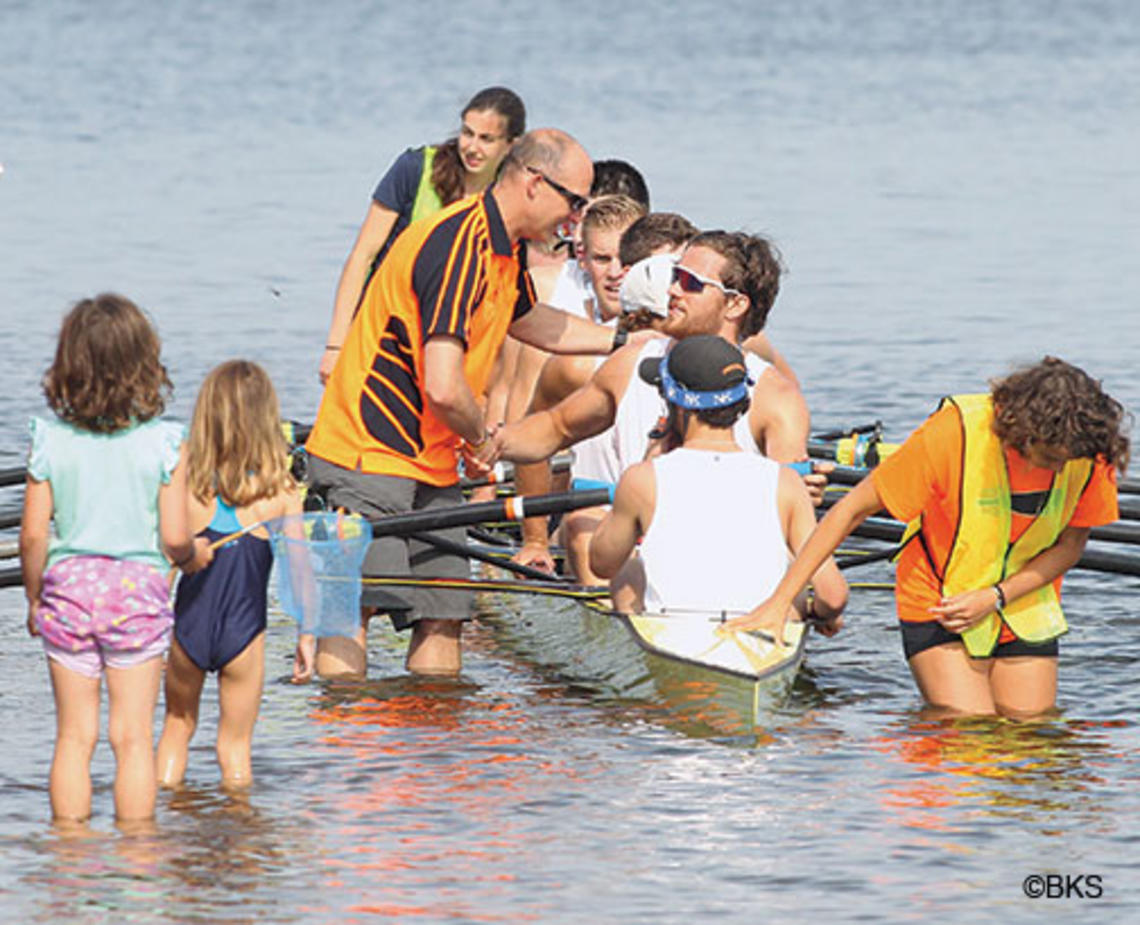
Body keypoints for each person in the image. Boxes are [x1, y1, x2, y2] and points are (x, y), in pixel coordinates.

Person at [305, 128, 624, 679]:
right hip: (367, 449)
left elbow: (532, 321)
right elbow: (444, 385)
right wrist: (483, 441)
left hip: (432, 457)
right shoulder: (458, 242)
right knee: (358, 607)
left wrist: (623, 341)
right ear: (532, 182)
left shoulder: (503, 251)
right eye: (572, 202)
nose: (574, 220)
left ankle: (439, 755)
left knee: (445, 612)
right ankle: (348, 758)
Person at [726, 357, 1129, 719]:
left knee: (1033, 734)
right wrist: (779, 603)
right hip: (939, 598)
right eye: (1051, 458)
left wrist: (997, 596)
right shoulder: (954, 432)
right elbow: (849, 511)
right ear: (1023, 431)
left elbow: (1071, 546)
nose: (1060, 469)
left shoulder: (1089, 449)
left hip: (1022, 602)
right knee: (970, 730)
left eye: (1068, 460)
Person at [19, 294, 211, 824]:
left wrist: (36, 598)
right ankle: (137, 855)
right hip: (136, 595)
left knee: (74, 737)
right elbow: (175, 536)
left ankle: (70, 853)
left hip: (69, 591)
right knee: (131, 738)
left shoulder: (49, 439)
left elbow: (34, 536)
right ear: (145, 365)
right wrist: (194, 555)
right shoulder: (166, 442)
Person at [482, 230, 814, 487]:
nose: (671, 290)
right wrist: (488, 443)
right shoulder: (629, 364)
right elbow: (555, 428)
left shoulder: (776, 399)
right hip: (630, 553)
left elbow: (790, 522)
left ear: (735, 305)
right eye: (674, 276)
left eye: (690, 283)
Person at [590, 335, 847, 625]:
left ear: (674, 403)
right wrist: (816, 613)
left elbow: (601, 564)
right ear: (743, 404)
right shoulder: (785, 482)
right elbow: (834, 597)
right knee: (791, 572)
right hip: (758, 639)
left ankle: (635, 639)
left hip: (672, 632)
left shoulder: (642, 479)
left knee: (629, 571)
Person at [512, 211, 696, 579]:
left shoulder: (734, 356)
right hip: (601, 518)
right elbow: (536, 436)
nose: (677, 287)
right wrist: (534, 541)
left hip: (688, 516)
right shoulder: (577, 366)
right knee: (582, 530)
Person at [156, 360, 304, 789]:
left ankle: (162, 812)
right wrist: (307, 638)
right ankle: (239, 830)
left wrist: (152, 628)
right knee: (235, 745)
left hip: (187, 629)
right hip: (245, 634)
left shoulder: (186, 487)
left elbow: (165, 561)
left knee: (177, 727)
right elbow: (299, 572)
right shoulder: (281, 491)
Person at [319, 87, 527, 384]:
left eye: (486, 139)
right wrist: (335, 346)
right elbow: (362, 256)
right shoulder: (415, 169)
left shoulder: (511, 196)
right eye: (467, 133)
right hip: (382, 331)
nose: (471, 147)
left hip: (451, 345)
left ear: (511, 145)